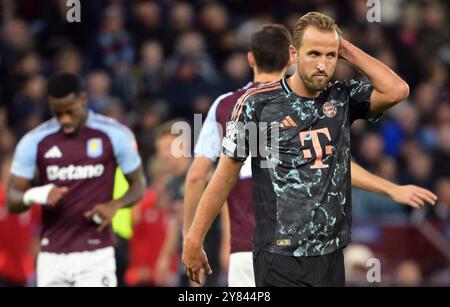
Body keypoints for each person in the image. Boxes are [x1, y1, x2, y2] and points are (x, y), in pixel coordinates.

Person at [182, 12, 437, 287]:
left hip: (331, 253)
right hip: (279, 255)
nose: (322, 64)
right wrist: (194, 239)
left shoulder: (341, 97)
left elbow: (397, 90)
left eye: (330, 55)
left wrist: (348, 49)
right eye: (314, 54)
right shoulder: (257, 105)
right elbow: (224, 176)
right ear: (294, 54)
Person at [7, 72, 146, 287]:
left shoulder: (114, 134)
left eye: (70, 111)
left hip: (97, 253)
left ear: (83, 99)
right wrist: (38, 194)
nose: (64, 119)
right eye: (57, 113)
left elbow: (138, 184)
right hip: (52, 255)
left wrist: (115, 205)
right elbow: (12, 199)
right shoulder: (34, 141)